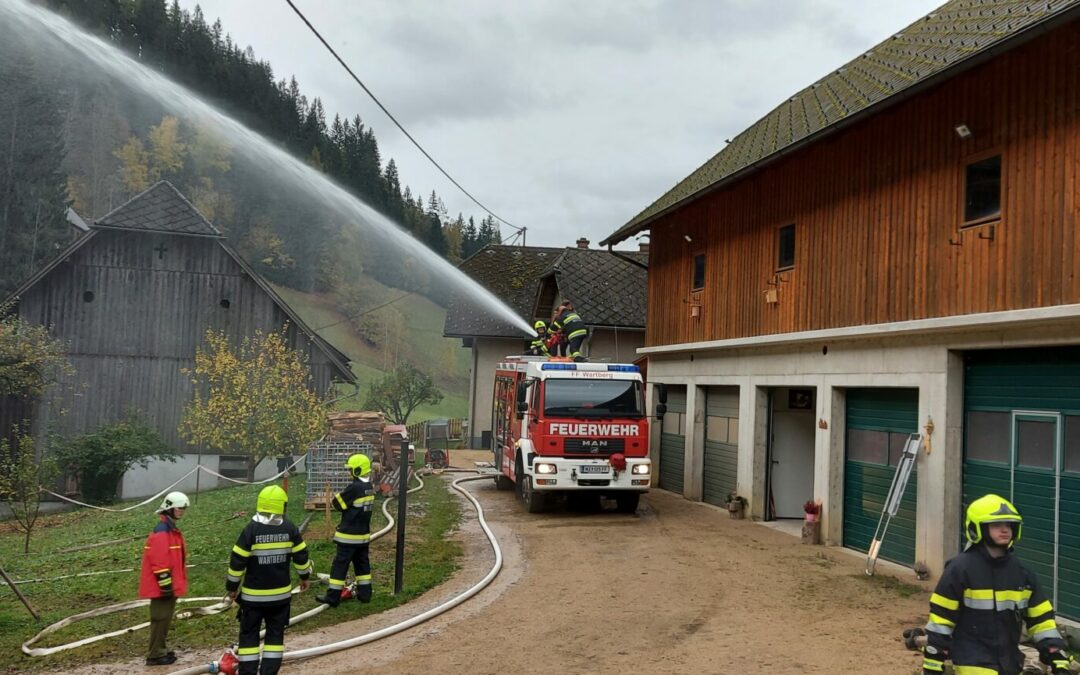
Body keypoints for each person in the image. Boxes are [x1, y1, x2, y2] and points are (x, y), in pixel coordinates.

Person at [922, 494, 1072, 675]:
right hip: (972, 666)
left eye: (1008, 525)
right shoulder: (960, 569)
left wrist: (1056, 654)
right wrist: (933, 661)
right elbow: (941, 620)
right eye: (996, 525)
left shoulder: (1022, 573)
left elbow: (1042, 621)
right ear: (977, 528)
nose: (1005, 530)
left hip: (1010, 665)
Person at [226, 485, 311, 675]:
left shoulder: (251, 530)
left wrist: (232, 587)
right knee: (275, 637)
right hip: (280, 599)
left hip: (253, 600)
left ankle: (247, 672)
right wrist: (305, 577)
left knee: (248, 637)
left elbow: (237, 561)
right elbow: (301, 556)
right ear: (282, 506)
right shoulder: (290, 528)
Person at [316, 453, 375, 607]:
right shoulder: (369, 487)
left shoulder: (354, 487)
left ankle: (333, 597)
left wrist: (338, 495)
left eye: (350, 470)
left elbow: (337, 504)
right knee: (362, 565)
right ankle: (365, 594)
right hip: (363, 537)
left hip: (348, 537)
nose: (349, 472)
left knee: (339, 567)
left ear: (356, 471)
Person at [139, 491, 189, 667]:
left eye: (184, 508)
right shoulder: (162, 532)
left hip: (168, 586)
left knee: (165, 618)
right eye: (179, 508)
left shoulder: (170, 530)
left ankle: (160, 649)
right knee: (160, 619)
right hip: (162, 587)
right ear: (170, 509)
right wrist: (166, 586)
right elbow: (159, 562)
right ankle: (155, 655)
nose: (182, 510)